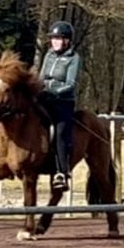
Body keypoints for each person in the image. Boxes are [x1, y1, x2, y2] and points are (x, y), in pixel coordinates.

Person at [38, 20, 80, 192]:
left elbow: (70, 84)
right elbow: (41, 77)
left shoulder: (74, 58)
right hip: (44, 98)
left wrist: (53, 91)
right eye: (53, 38)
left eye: (59, 38)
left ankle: (61, 171)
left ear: (67, 41)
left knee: (60, 131)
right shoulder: (48, 56)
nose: (55, 41)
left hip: (63, 101)